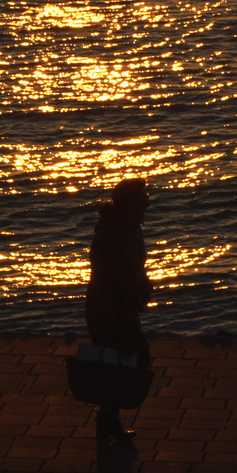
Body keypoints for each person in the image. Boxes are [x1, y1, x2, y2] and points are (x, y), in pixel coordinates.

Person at [85, 176, 151, 454]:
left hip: (123, 305)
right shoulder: (111, 233)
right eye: (142, 199)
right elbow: (107, 275)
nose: (148, 204)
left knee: (122, 361)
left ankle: (107, 417)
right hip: (108, 307)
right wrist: (125, 299)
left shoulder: (131, 227)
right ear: (128, 204)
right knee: (129, 356)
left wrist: (143, 285)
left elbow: (135, 265)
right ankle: (108, 416)